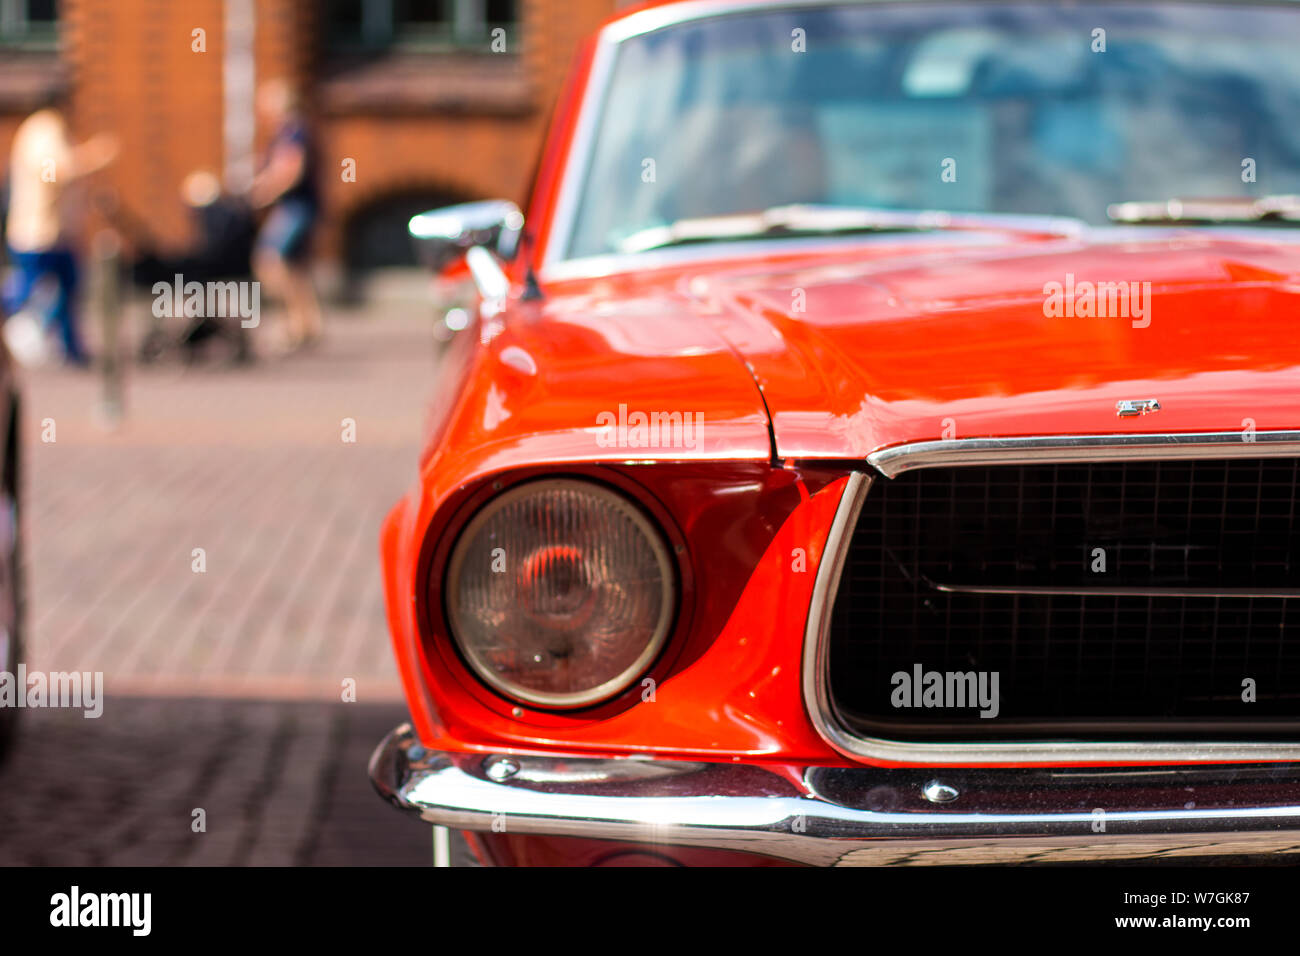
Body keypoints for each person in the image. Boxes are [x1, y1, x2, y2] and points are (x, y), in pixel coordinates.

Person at [3, 101, 117, 366]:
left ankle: (71, 350)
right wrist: (94, 157)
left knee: (67, 290)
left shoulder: (52, 129)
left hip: (56, 232)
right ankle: (67, 348)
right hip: (38, 232)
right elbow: (53, 172)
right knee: (29, 290)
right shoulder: (45, 129)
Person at [248, 80, 322, 351]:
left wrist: (264, 192)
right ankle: (307, 324)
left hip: (294, 207)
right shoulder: (294, 129)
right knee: (295, 267)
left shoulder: (291, 131)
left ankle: (292, 323)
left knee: (269, 260)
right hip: (300, 206)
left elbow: (291, 169)